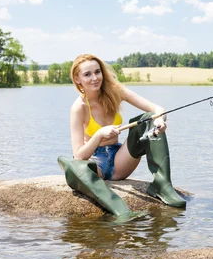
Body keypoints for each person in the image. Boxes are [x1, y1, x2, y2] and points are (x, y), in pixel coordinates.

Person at [67, 53, 185, 208]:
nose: (95, 78)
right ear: (77, 79)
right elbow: (78, 155)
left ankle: (162, 185)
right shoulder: (79, 107)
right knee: (80, 166)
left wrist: (159, 120)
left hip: (120, 161)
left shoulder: (115, 91)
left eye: (97, 72)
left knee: (147, 119)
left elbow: (157, 109)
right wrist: (99, 135)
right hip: (95, 163)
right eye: (87, 74)